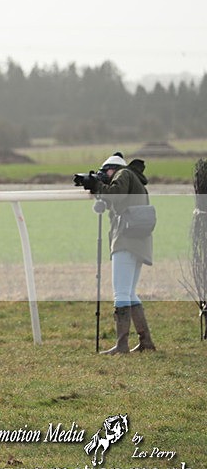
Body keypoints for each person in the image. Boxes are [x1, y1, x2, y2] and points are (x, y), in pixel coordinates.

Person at [81, 152, 157, 354]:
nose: (104, 175)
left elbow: (116, 194)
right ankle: (145, 341)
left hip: (125, 240)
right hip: (140, 242)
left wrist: (97, 186)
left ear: (112, 168)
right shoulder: (135, 179)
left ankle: (122, 345)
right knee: (130, 292)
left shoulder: (123, 173)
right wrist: (102, 200)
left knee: (121, 293)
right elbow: (118, 200)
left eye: (105, 172)